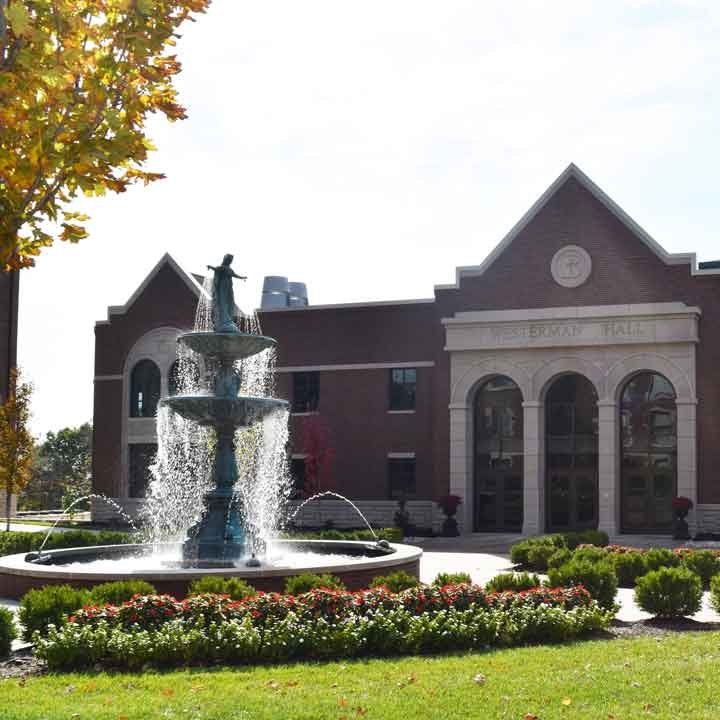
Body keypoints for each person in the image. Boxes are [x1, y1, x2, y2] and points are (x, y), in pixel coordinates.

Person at [206, 254, 246, 332]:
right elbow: (216, 269)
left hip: (229, 288)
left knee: (229, 303)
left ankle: (228, 320)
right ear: (226, 260)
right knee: (222, 303)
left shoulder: (229, 269)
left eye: (231, 260)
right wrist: (210, 267)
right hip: (222, 288)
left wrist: (242, 277)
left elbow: (234, 275)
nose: (230, 261)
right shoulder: (222, 267)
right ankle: (223, 321)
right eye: (229, 260)